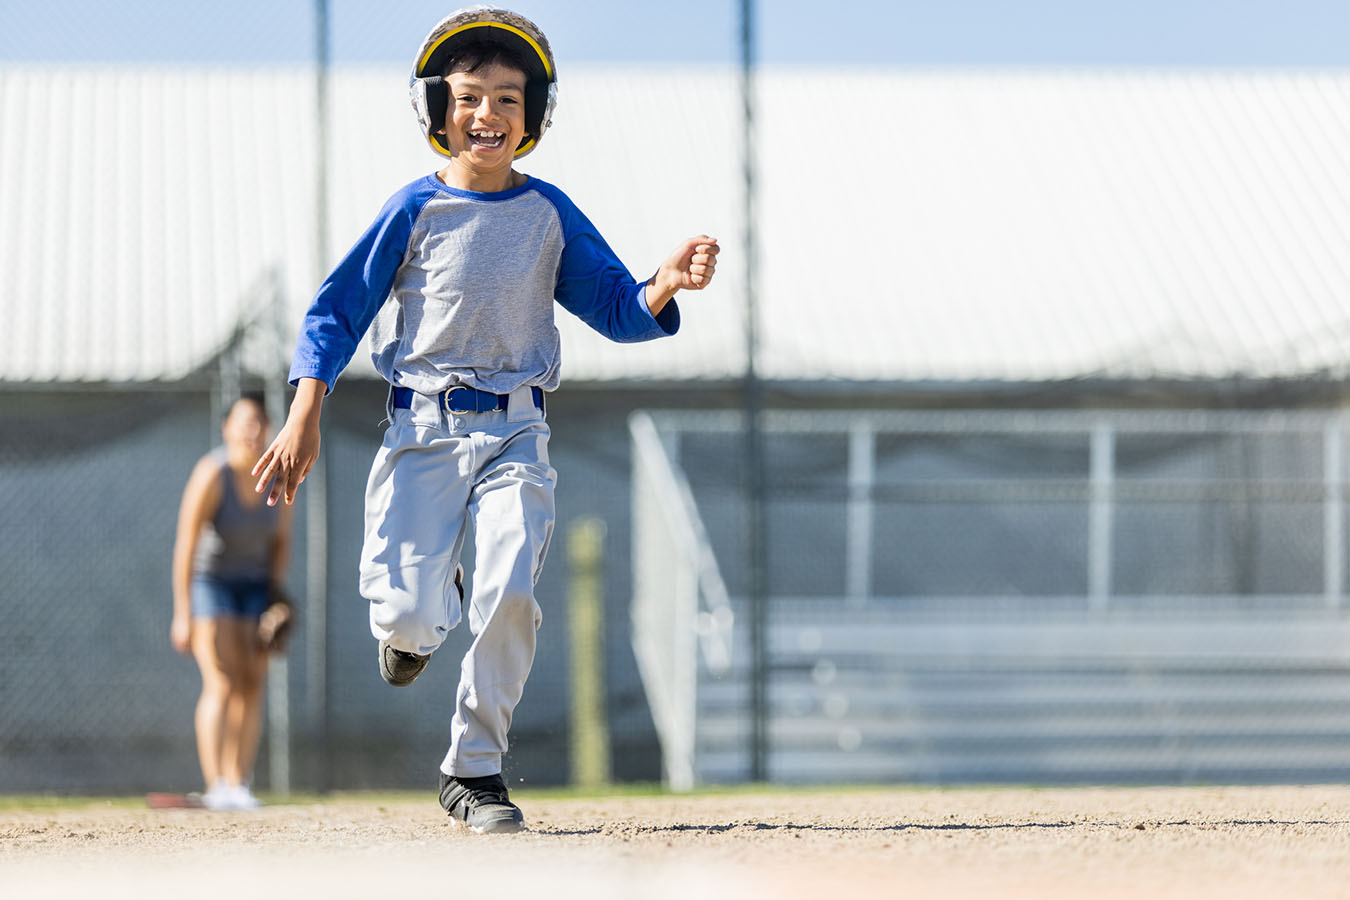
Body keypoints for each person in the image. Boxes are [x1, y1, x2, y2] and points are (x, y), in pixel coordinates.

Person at [251, 6, 719, 833]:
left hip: (515, 430)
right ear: (439, 110)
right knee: (403, 612)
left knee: (510, 591)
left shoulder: (547, 215)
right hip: (421, 431)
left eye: (509, 98)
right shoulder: (414, 210)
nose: (488, 115)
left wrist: (666, 283)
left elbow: (614, 306)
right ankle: (424, 611)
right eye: (469, 97)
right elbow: (336, 313)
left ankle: (474, 770)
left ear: (533, 116)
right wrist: (302, 414)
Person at [172, 394, 293, 811]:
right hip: (213, 583)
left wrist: (276, 597)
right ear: (226, 428)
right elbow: (186, 544)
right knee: (222, 681)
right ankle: (216, 785)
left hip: (255, 586)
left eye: (260, 422)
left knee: (251, 683)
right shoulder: (212, 473)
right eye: (243, 422)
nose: (252, 430)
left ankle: (238, 784)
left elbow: (281, 543)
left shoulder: (277, 476)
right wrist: (183, 612)